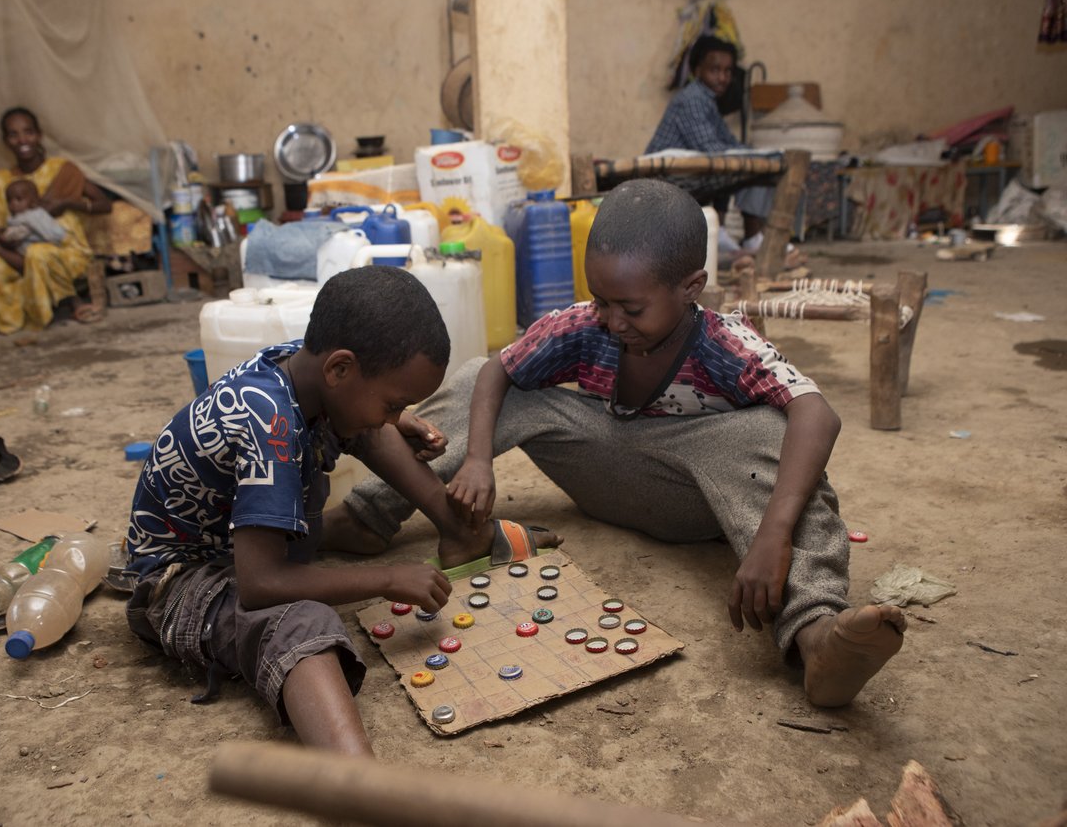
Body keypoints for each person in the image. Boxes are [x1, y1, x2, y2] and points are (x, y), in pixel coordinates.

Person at [327, 180, 905, 708]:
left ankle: (815, 636)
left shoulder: (728, 343)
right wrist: (478, 457)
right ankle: (367, 513)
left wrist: (772, 538)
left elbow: (817, 415)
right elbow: (498, 371)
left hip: (695, 498)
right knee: (487, 375)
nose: (611, 320)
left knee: (774, 437)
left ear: (691, 288)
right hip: (605, 471)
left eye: (631, 308)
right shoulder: (585, 324)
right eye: (600, 300)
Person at [125, 266, 519, 755]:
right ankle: (356, 781)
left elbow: (362, 415)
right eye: (395, 401)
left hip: (236, 540)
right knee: (302, 621)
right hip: (178, 580)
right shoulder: (269, 423)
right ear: (339, 368)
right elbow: (261, 584)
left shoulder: (304, 363)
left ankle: (456, 530)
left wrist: (394, 419)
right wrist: (387, 578)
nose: (396, 416)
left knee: (366, 427)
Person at [0, 107, 111, 333]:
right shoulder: (0, 180)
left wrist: (66, 203)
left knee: (39, 253)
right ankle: (10, 319)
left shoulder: (62, 169)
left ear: (39, 135)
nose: (22, 139)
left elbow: (105, 204)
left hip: (64, 247)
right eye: (13, 134)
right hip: (19, 249)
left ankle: (61, 305)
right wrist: (6, 241)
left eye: (28, 132)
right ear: (6, 140)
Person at [644, 36, 775, 253]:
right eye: (714, 70)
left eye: (727, 71)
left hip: (687, 172)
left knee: (753, 162)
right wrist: (751, 155)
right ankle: (748, 237)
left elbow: (728, 142)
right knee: (749, 169)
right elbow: (711, 148)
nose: (722, 77)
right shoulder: (692, 99)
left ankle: (733, 234)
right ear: (697, 70)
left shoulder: (708, 101)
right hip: (663, 178)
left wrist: (753, 153)